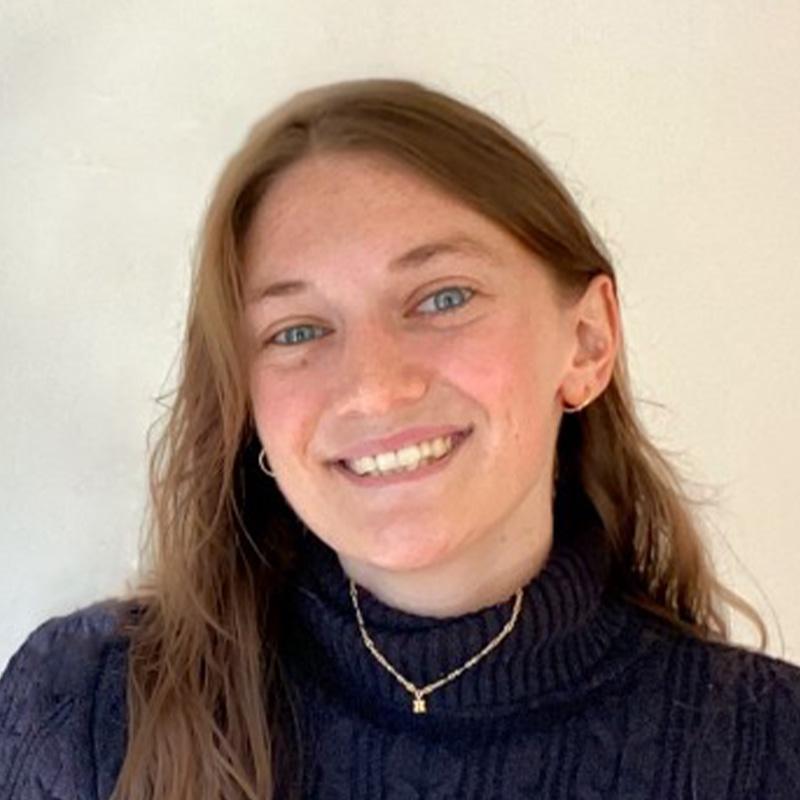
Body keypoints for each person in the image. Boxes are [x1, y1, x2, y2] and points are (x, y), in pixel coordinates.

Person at [1, 77, 799, 800]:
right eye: (298, 329)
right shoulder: (87, 712)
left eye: (443, 297)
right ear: (248, 407)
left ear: (587, 341)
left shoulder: (769, 752)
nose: (375, 385)